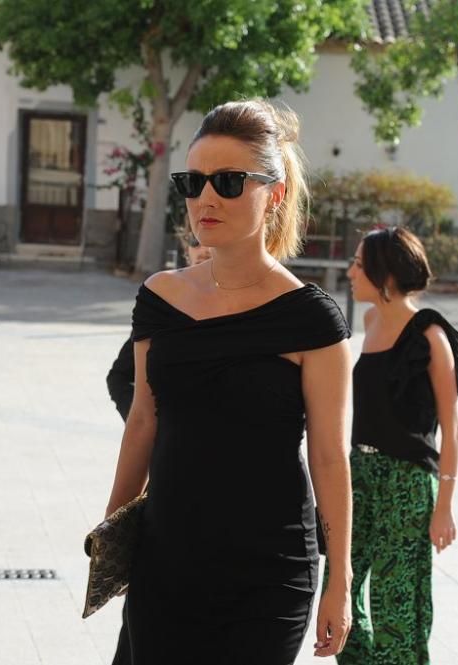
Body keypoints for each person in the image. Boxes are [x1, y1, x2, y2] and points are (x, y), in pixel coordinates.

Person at [105, 99, 353, 664]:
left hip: (267, 577)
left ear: (276, 193)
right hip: (165, 561)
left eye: (229, 181)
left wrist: (339, 578)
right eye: (193, 182)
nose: (206, 198)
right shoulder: (160, 297)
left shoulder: (312, 319)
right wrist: (111, 537)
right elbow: (142, 422)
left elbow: (331, 459)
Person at [331, 226, 458, 664]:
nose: (351, 271)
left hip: (408, 483)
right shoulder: (370, 320)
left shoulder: (430, 337)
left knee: (397, 603)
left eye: (359, 263)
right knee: (340, 588)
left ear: (386, 275)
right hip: (360, 475)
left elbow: (451, 428)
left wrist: (444, 506)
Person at [105, 228, 211, 665]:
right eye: (198, 251)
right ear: (186, 251)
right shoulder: (167, 300)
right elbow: (119, 377)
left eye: (210, 252)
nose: (204, 257)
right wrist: (158, 422)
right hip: (170, 485)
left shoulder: (268, 303)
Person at [106, 226, 212, 420]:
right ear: (186, 247)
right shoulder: (163, 301)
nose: (203, 248)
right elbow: (118, 377)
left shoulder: (247, 302)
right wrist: (145, 425)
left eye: (211, 240)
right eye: (195, 241)